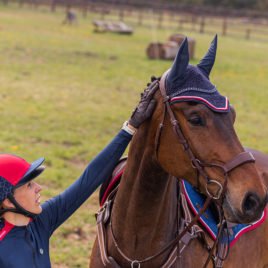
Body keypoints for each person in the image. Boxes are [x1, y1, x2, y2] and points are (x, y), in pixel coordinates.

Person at [0, 79, 159, 268]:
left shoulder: (40, 221)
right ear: (8, 200)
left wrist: (130, 128)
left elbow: (88, 180)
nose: (39, 187)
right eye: (28, 184)